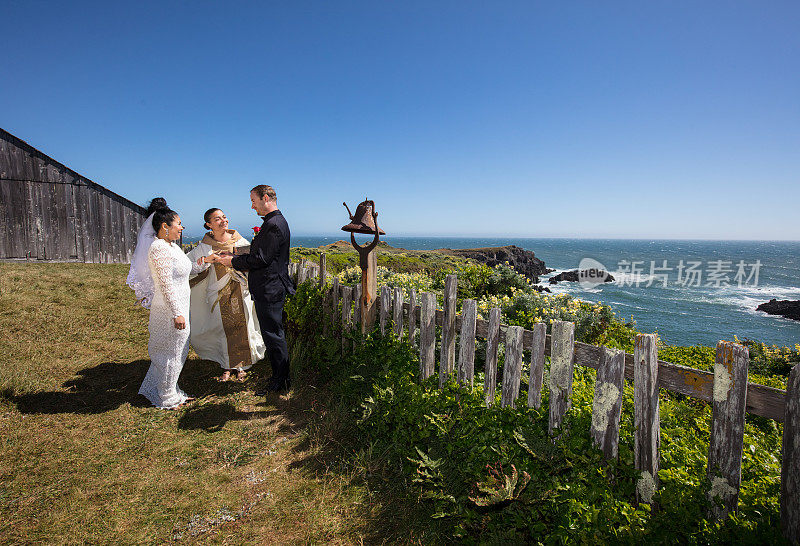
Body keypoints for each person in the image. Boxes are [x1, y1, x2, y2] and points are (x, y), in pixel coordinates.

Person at [126, 198, 215, 409]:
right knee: (169, 352)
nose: (182, 227)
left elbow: (187, 270)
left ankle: (169, 388)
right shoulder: (159, 249)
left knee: (178, 351)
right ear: (165, 226)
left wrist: (205, 262)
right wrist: (177, 313)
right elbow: (165, 284)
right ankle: (166, 396)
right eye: (179, 224)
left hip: (180, 306)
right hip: (168, 310)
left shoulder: (172, 247)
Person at [217, 185, 294, 394]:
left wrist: (232, 262)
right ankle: (280, 377)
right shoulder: (273, 222)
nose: (251, 206)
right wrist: (236, 257)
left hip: (270, 289)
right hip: (268, 288)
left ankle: (281, 381)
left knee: (273, 336)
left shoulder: (274, 225)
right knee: (272, 334)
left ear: (266, 198)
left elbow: (261, 259)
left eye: (253, 201)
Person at [186, 208, 266, 381]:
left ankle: (242, 365)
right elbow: (187, 266)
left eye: (224, 217)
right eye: (217, 219)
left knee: (242, 326)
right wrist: (206, 261)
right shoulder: (204, 247)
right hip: (217, 294)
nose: (223, 221)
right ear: (209, 224)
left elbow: (252, 263)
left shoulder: (240, 241)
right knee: (222, 328)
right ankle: (227, 365)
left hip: (239, 290)